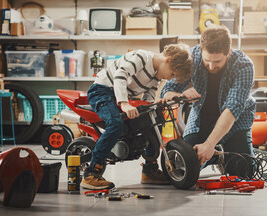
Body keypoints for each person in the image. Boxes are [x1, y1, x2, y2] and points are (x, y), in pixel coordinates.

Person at [81, 43, 193, 190]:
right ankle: (91, 174)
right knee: (116, 123)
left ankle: (149, 169)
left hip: (120, 95)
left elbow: (148, 98)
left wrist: (153, 105)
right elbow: (120, 75)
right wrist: (124, 103)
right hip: (102, 91)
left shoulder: (156, 76)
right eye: (172, 74)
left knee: (153, 118)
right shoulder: (142, 57)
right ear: (168, 60)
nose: (169, 78)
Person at [160, 26, 256, 176]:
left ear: (229, 52)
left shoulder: (244, 66)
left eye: (217, 61)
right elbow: (167, 90)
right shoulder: (192, 57)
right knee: (183, 165)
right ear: (201, 50)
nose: (211, 66)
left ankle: (219, 151)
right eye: (207, 60)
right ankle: (218, 157)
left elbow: (233, 108)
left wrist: (209, 144)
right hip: (201, 118)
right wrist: (179, 94)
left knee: (243, 172)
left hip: (235, 121)